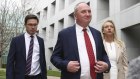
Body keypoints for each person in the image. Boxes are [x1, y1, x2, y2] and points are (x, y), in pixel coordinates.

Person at [50, 2, 111, 79]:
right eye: (83, 12)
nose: (88, 14)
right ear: (75, 16)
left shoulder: (97, 33)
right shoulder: (64, 34)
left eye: (89, 11)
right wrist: (66, 65)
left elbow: (103, 54)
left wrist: (107, 65)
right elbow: (54, 57)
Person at [6, 14, 47, 79]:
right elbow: (10, 62)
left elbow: (43, 61)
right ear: (25, 25)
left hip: (38, 77)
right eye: (30, 24)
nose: (33, 27)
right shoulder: (16, 41)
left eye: (35, 24)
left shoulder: (41, 41)